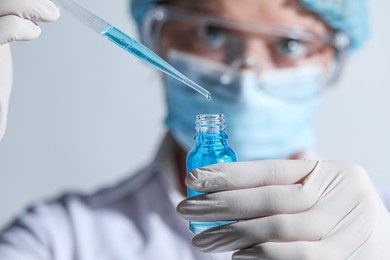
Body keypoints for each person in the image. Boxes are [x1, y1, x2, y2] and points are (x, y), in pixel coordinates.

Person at [0, 0, 389, 259]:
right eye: (212, 32)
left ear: (330, 61)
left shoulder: (377, 226)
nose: (246, 68)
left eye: (289, 44)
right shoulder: (60, 239)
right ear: (158, 39)